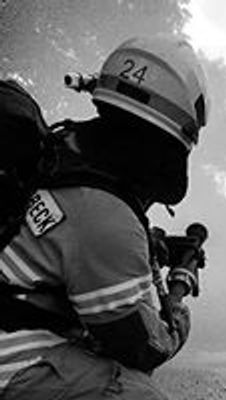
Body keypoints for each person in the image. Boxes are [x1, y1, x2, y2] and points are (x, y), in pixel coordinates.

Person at [0, 34, 210, 399]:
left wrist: (152, 245)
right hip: (10, 358)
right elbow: (141, 347)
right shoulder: (107, 220)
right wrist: (177, 312)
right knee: (138, 393)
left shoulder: (61, 150)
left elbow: (67, 236)